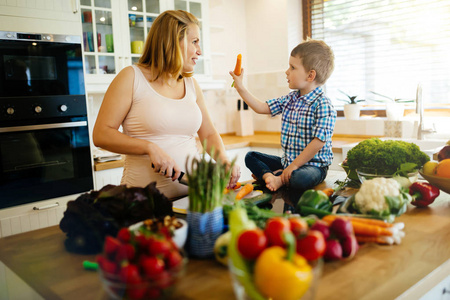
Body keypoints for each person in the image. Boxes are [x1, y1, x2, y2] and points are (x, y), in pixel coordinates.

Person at [93, 10, 240, 199]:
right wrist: (150, 147)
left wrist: (223, 160)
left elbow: (209, 134)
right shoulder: (131, 77)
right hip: (143, 202)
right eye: (194, 42)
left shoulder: (191, 84)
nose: (200, 51)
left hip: (191, 200)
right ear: (172, 41)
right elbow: (101, 134)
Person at [229, 39, 336, 195]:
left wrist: (293, 167)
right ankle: (270, 176)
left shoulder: (323, 104)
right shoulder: (289, 99)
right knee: (250, 156)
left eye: (292, 67)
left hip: (313, 166)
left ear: (310, 75)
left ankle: (278, 178)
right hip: (288, 163)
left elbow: (318, 143)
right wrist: (240, 87)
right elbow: (261, 107)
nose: (287, 71)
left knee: (300, 178)